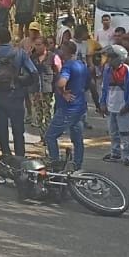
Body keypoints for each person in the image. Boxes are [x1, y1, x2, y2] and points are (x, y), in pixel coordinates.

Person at [0, 27, 36, 161]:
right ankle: (20, 159)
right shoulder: (20, 53)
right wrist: (22, 82)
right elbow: (34, 73)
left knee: (2, 130)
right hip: (16, 95)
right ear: (10, 39)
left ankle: (6, 158)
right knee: (18, 130)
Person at [45, 40, 91, 171]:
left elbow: (61, 82)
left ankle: (55, 163)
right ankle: (77, 164)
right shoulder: (82, 65)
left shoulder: (68, 66)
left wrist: (62, 92)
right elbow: (89, 83)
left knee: (50, 136)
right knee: (77, 139)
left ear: (65, 51)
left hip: (68, 108)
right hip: (80, 106)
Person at [98, 44, 129, 166]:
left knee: (125, 133)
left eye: (110, 57)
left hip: (123, 107)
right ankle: (115, 153)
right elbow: (104, 88)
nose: (108, 60)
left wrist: (128, 105)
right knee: (113, 132)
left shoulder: (128, 72)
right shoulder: (107, 70)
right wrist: (102, 103)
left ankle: (127, 156)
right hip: (111, 106)